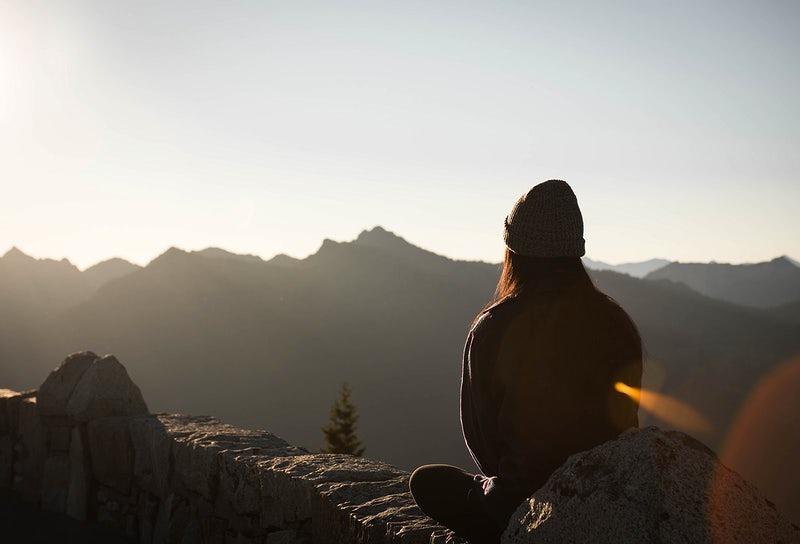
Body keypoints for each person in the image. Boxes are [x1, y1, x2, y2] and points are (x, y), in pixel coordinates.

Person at [409, 180, 643, 543]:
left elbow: (481, 436)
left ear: (514, 250)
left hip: (523, 503)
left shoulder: (494, 326)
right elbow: (626, 421)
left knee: (427, 481)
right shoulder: (616, 323)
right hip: (606, 494)